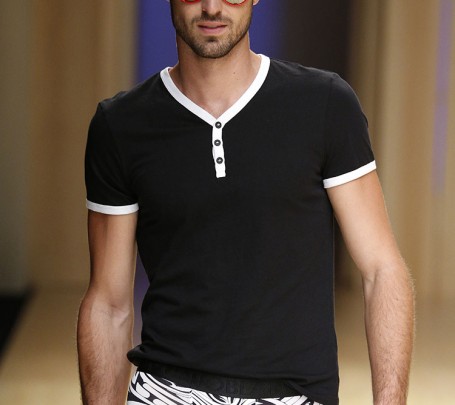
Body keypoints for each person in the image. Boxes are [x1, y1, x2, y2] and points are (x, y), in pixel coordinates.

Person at [77, 1, 415, 404]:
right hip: (166, 390)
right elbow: (108, 303)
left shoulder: (324, 104)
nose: (211, 7)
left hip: (295, 394)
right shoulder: (120, 125)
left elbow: (382, 270)